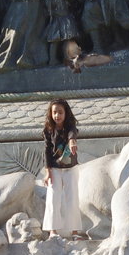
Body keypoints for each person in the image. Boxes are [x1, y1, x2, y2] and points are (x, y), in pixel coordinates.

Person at [42, 99, 87, 240]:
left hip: (70, 168)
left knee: (72, 198)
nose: (57, 115)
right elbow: (47, 152)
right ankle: (52, 231)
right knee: (53, 198)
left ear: (66, 113)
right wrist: (48, 172)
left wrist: (72, 141)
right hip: (54, 168)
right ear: (51, 114)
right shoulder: (48, 130)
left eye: (60, 112)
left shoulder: (70, 127)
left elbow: (72, 134)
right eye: (54, 112)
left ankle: (74, 232)